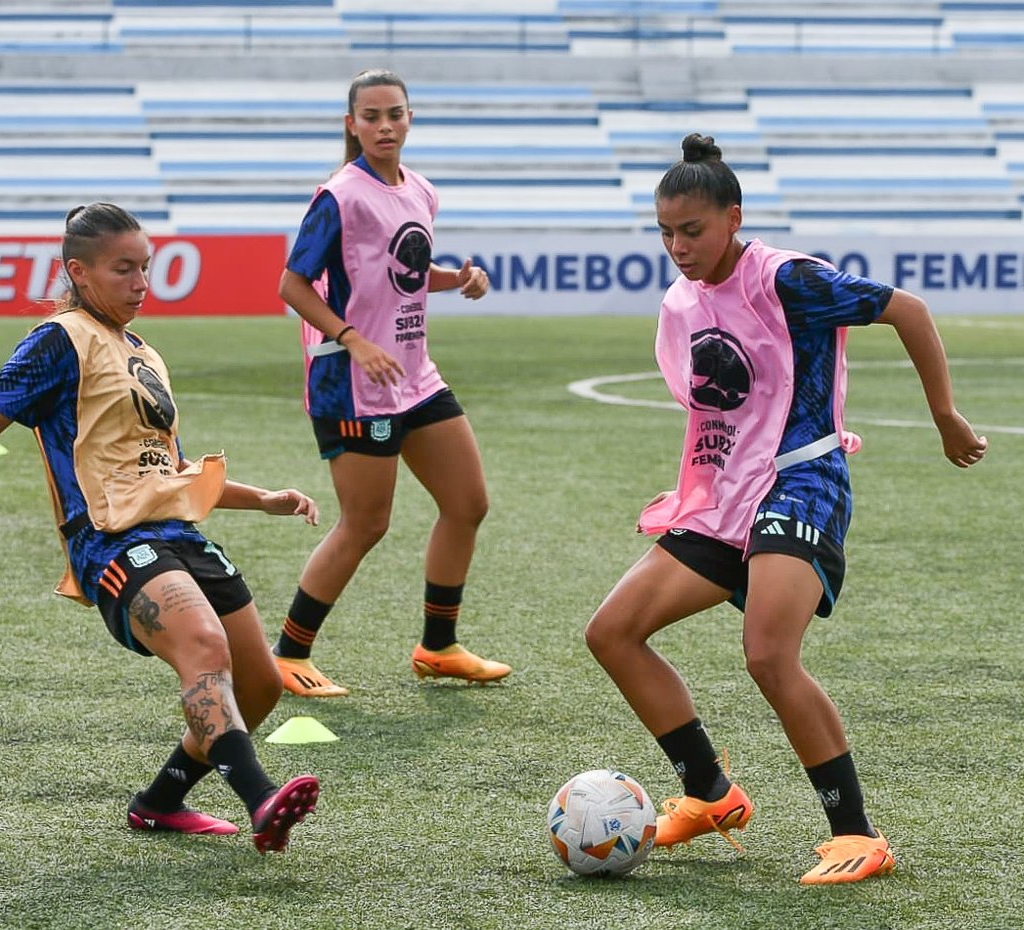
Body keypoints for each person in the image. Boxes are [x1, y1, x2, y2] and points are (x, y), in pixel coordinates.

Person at [584, 134, 988, 885]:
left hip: (802, 481)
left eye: (692, 231)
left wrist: (946, 416)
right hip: (729, 494)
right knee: (612, 632)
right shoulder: (684, 299)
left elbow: (910, 310)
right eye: (666, 232)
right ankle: (711, 796)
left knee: (768, 655)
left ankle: (857, 835)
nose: (678, 247)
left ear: (733, 218)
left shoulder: (789, 279)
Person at [0, 203, 321, 853]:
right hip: (113, 544)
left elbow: (169, 472)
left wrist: (264, 500)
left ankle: (159, 803)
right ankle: (262, 801)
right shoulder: (58, 340)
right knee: (204, 649)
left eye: (146, 268)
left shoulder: (145, 354)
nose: (142, 283)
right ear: (78, 273)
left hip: (182, 537)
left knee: (260, 685)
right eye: (124, 270)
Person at [271, 68, 511, 697]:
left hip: (413, 374)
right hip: (350, 380)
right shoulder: (339, 196)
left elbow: (402, 268)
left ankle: (438, 646)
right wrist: (352, 338)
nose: (384, 125)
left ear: (410, 119)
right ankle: (288, 653)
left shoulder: (421, 191)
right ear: (352, 124)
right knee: (366, 523)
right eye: (370, 116)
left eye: (394, 114)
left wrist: (455, 280)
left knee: (468, 503)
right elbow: (292, 284)